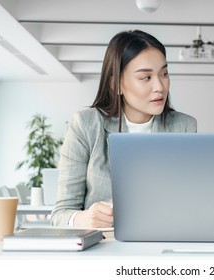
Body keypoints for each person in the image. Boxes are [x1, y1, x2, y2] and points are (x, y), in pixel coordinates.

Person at [51, 30, 197, 228]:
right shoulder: (86, 125)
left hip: (160, 240)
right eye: (146, 77)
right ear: (116, 84)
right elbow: (60, 214)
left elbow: (189, 203)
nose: (160, 86)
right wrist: (84, 218)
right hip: (103, 247)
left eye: (164, 74)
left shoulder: (184, 127)